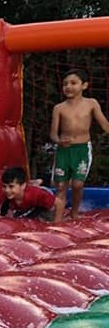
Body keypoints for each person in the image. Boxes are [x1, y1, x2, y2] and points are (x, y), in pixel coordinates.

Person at [49, 68, 109, 222]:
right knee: (61, 186)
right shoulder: (59, 108)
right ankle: (57, 219)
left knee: (77, 184)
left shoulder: (91, 104)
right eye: (65, 84)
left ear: (85, 85)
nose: (68, 86)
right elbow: (53, 134)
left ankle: (74, 212)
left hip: (82, 150)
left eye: (73, 83)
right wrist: (58, 141)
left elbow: (104, 124)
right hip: (63, 151)